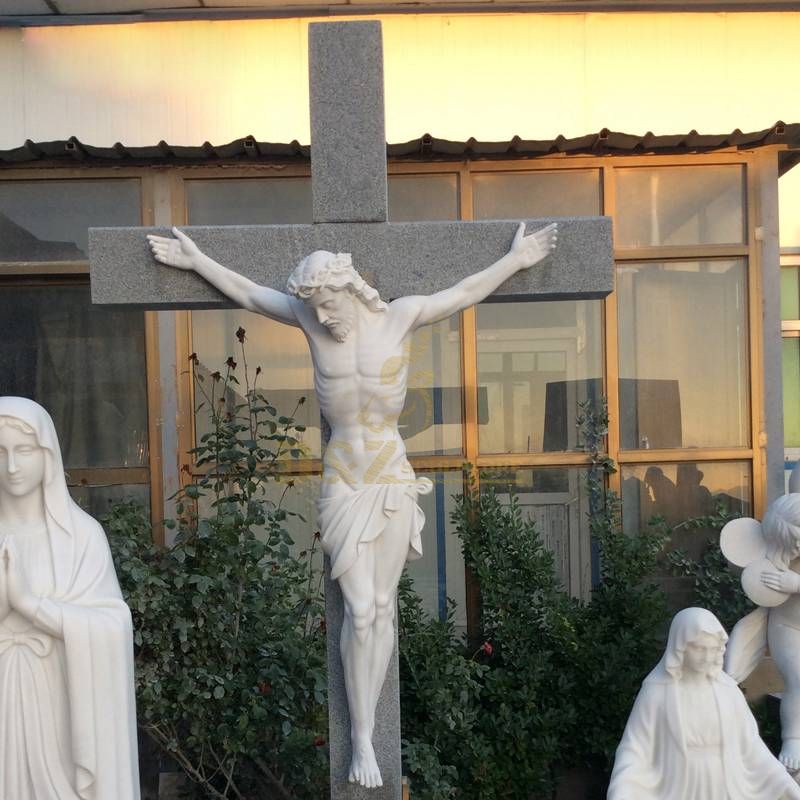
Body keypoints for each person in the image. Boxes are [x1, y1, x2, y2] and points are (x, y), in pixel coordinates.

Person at [148, 221, 557, 788]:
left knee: (381, 607)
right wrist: (197, 261)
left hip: (389, 472)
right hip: (343, 475)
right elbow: (246, 292)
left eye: (326, 303)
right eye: (311, 307)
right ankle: (361, 737)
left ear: (350, 288)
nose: (320, 316)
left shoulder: (402, 316)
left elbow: (463, 293)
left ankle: (366, 738)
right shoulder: (313, 326)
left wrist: (515, 260)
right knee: (359, 608)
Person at [0, 396, 140, 800]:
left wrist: (29, 605)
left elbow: (112, 625)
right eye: (1, 451)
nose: (11, 465)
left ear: (47, 455)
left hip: (60, 709)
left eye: (23, 450)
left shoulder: (81, 537)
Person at [608, 607, 800, 800]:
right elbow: (636, 748)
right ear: (680, 646)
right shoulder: (657, 691)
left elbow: (750, 746)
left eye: (713, 649)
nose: (707, 657)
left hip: (728, 786)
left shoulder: (727, 690)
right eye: (699, 648)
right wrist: (622, 788)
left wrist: (783, 782)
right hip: (676, 788)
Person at [725, 493, 800, 771]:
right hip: (787, 627)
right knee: (798, 679)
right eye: (792, 542)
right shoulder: (774, 554)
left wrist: (795, 583)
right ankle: (793, 738)